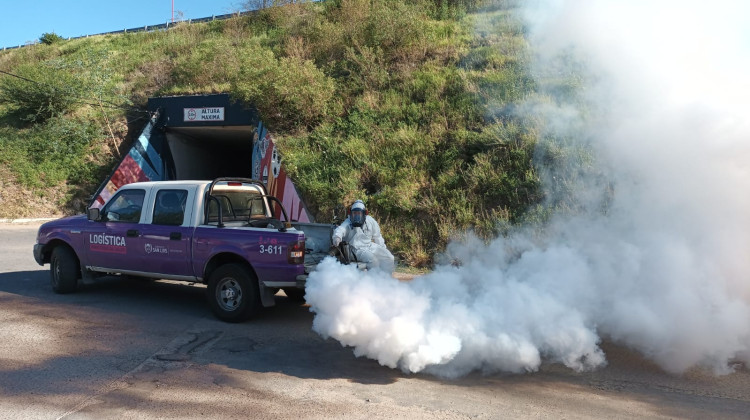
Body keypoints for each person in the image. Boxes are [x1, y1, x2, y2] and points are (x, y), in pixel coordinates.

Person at [332, 200, 395, 273]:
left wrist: (383, 249)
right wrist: (337, 237)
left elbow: (377, 236)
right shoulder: (348, 222)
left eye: (359, 213)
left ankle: (387, 278)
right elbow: (340, 230)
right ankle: (374, 281)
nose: (356, 216)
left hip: (369, 246)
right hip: (354, 249)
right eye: (354, 213)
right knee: (372, 260)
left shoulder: (371, 221)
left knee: (389, 257)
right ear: (351, 213)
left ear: (365, 213)